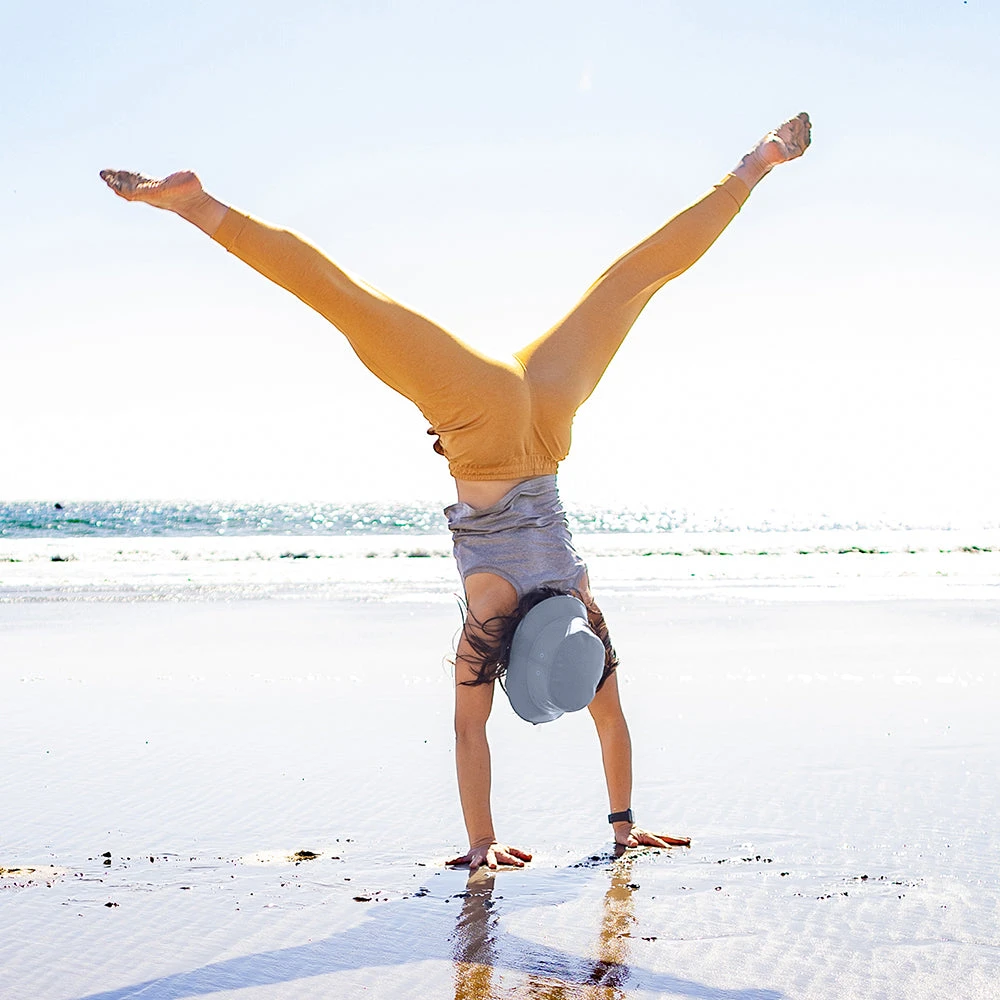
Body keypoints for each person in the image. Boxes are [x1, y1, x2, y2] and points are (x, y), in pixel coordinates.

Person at [100, 112, 811, 871]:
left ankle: (756, 164)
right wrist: (480, 844)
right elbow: (470, 735)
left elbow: (611, 722)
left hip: (548, 419)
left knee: (633, 278)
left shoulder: (581, 612)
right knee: (350, 303)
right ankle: (196, 206)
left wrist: (623, 826)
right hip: (480, 419)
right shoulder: (489, 622)